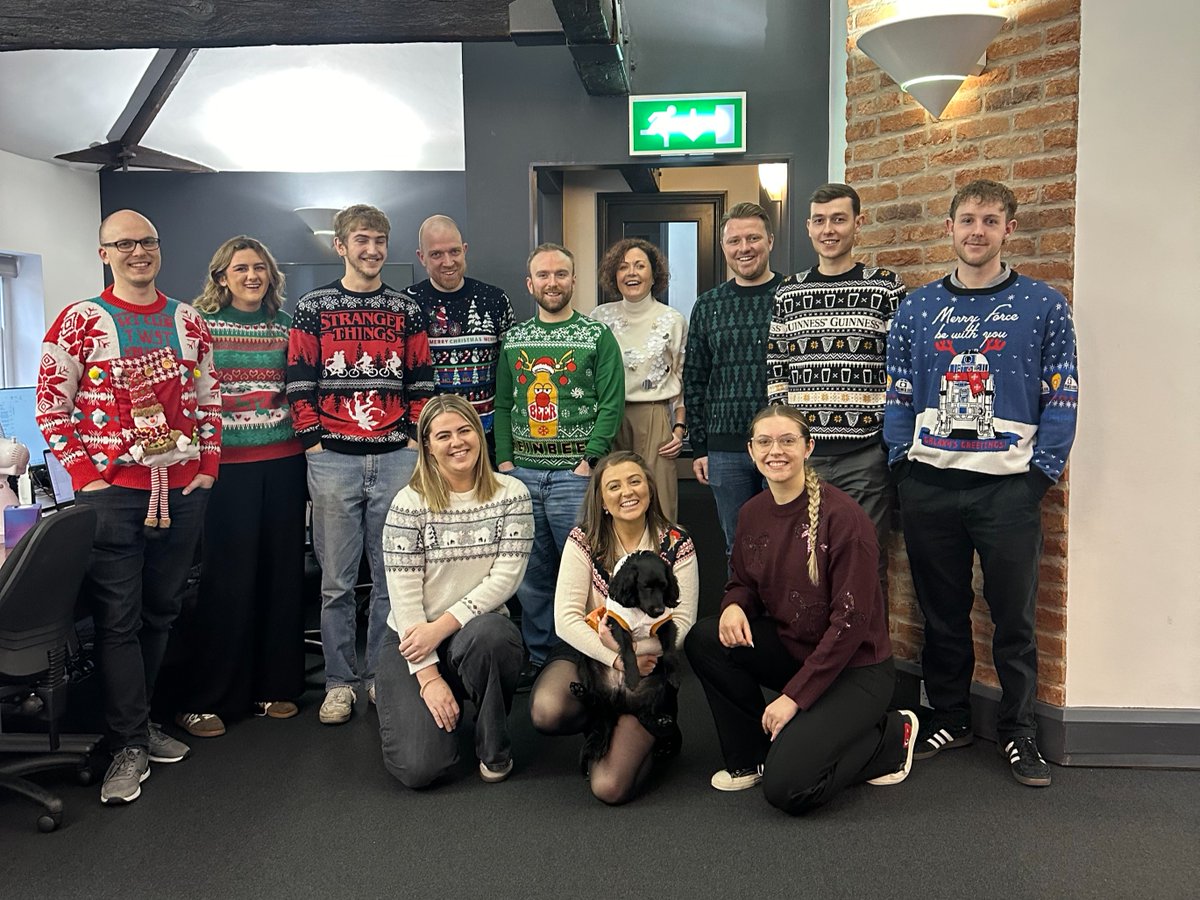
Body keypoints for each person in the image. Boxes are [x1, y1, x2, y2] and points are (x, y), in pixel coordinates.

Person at [885, 179, 1078, 788]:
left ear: (1008, 230)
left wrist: (1038, 475)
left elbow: (1063, 395)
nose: (977, 230)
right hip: (930, 484)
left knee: (1013, 616)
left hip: (1008, 490)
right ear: (950, 228)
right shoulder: (916, 308)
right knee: (941, 611)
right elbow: (898, 391)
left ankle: (1020, 732)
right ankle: (950, 715)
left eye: (990, 220)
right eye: (967, 219)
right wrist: (902, 463)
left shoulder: (1044, 305)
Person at [36, 209, 220, 804]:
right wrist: (86, 477)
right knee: (117, 619)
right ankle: (128, 744)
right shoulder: (80, 322)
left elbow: (209, 401)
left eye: (147, 241)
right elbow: (49, 407)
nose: (138, 251)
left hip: (181, 491)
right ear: (104, 253)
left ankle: (139, 726)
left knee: (162, 612)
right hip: (113, 497)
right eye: (125, 244)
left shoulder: (188, 322)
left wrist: (208, 468)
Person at [685, 406, 917, 815]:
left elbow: (851, 624)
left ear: (808, 447)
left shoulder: (844, 518)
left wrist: (793, 698)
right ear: (752, 451)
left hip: (855, 669)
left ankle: (889, 736)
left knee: (790, 788)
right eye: (765, 442)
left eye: (788, 440)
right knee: (707, 639)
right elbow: (741, 581)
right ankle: (752, 755)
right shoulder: (752, 513)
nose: (776, 451)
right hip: (796, 650)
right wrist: (733, 605)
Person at [286, 204, 434, 725]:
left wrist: (415, 440)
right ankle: (339, 681)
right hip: (333, 461)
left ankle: (379, 675)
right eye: (361, 240)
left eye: (379, 241)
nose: (371, 250)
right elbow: (300, 377)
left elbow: (421, 377)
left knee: (396, 578)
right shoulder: (314, 305)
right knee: (337, 582)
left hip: (396, 457)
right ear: (341, 246)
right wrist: (311, 442)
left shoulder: (405, 308)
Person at [174, 236, 306, 738]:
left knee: (281, 577)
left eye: (261, 268)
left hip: (285, 462)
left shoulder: (287, 327)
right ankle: (210, 697)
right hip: (225, 469)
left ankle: (275, 687)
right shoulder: (201, 328)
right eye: (241, 268)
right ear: (221, 277)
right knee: (227, 581)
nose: (253, 276)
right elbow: (186, 396)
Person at [376, 395, 533, 787]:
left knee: (494, 636)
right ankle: (401, 697)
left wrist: (442, 627)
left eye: (465, 430)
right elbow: (404, 595)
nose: (457, 442)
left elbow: (504, 580)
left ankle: (494, 747)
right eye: (442, 435)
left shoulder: (511, 494)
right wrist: (427, 676)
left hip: (475, 634)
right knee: (420, 769)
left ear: (479, 434)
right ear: (427, 445)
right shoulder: (408, 503)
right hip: (412, 638)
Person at [530, 451, 698, 804]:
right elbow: (566, 618)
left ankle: (659, 735)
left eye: (635, 481)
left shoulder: (677, 542)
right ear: (602, 500)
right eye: (614, 486)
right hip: (592, 648)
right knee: (547, 709)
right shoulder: (584, 538)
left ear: (650, 489)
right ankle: (600, 722)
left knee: (608, 788)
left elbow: (682, 623)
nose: (627, 492)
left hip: (649, 662)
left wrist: (638, 653)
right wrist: (618, 658)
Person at [767, 183, 906, 603]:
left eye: (839, 219)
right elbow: (777, 371)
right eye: (820, 221)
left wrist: (887, 440)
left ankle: (868, 664)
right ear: (809, 227)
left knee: (864, 563)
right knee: (805, 564)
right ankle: (815, 663)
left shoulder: (885, 288)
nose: (829, 230)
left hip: (864, 456)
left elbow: (901, 370)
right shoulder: (789, 293)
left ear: (858, 224)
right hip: (805, 459)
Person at [493, 242, 624, 687]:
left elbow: (610, 402)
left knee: (587, 572)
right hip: (522, 475)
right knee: (532, 575)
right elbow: (506, 403)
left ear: (573, 280)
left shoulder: (596, 336)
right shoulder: (514, 339)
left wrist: (590, 461)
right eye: (543, 275)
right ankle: (543, 659)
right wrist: (506, 464)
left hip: (576, 475)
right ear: (530, 284)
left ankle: (588, 657)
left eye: (561, 274)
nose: (553, 282)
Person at [683, 201, 783, 561]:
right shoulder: (708, 305)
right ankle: (742, 618)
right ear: (724, 247)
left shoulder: (792, 296)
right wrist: (701, 447)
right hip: (725, 450)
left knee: (787, 542)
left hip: (781, 445)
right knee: (738, 546)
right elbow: (694, 378)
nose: (744, 248)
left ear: (770, 240)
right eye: (734, 240)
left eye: (753, 237)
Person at [590, 238, 688, 520]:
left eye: (639, 266)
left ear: (653, 274)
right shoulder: (599, 318)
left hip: (655, 416)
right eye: (623, 267)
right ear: (614, 275)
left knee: (660, 502)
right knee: (613, 502)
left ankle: (664, 562)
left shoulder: (673, 320)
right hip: (609, 417)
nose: (631, 273)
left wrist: (679, 428)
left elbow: (682, 379)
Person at [404, 215, 515, 445]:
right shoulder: (407, 304)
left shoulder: (495, 300)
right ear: (421, 257)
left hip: (487, 437)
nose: (448, 262)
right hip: (431, 439)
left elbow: (511, 372)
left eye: (454, 251)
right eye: (436, 254)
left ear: (464, 250)